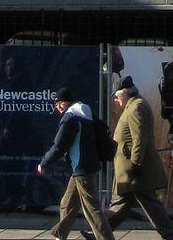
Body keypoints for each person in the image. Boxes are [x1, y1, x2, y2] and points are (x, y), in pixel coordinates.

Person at [103, 78, 173, 240]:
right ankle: (99, 234)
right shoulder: (134, 105)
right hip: (130, 170)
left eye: (117, 97)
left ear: (125, 94)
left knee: (151, 206)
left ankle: (172, 236)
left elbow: (140, 138)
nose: (116, 100)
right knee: (120, 206)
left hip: (136, 170)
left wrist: (136, 163)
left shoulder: (136, 107)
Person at [36, 86, 114, 240]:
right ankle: (60, 235)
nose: (57, 108)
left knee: (92, 209)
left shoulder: (70, 117)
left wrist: (44, 163)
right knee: (67, 203)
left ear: (63, 103)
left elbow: (59, 145)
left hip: (81, 168)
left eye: (57, 104)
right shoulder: (86, 113)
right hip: (86, 166)